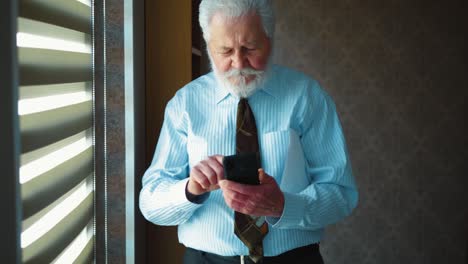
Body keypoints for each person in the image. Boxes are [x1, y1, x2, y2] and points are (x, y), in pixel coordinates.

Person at [139, 0, 358, 263]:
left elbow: (341, 194)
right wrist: (190, 188)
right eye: (225, 51)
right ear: (208, 47)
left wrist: (283, 205)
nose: (239, 62)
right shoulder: (184, 104)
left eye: (250, 48)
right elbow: (150, 203)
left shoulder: (307, 97)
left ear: (270, 38)